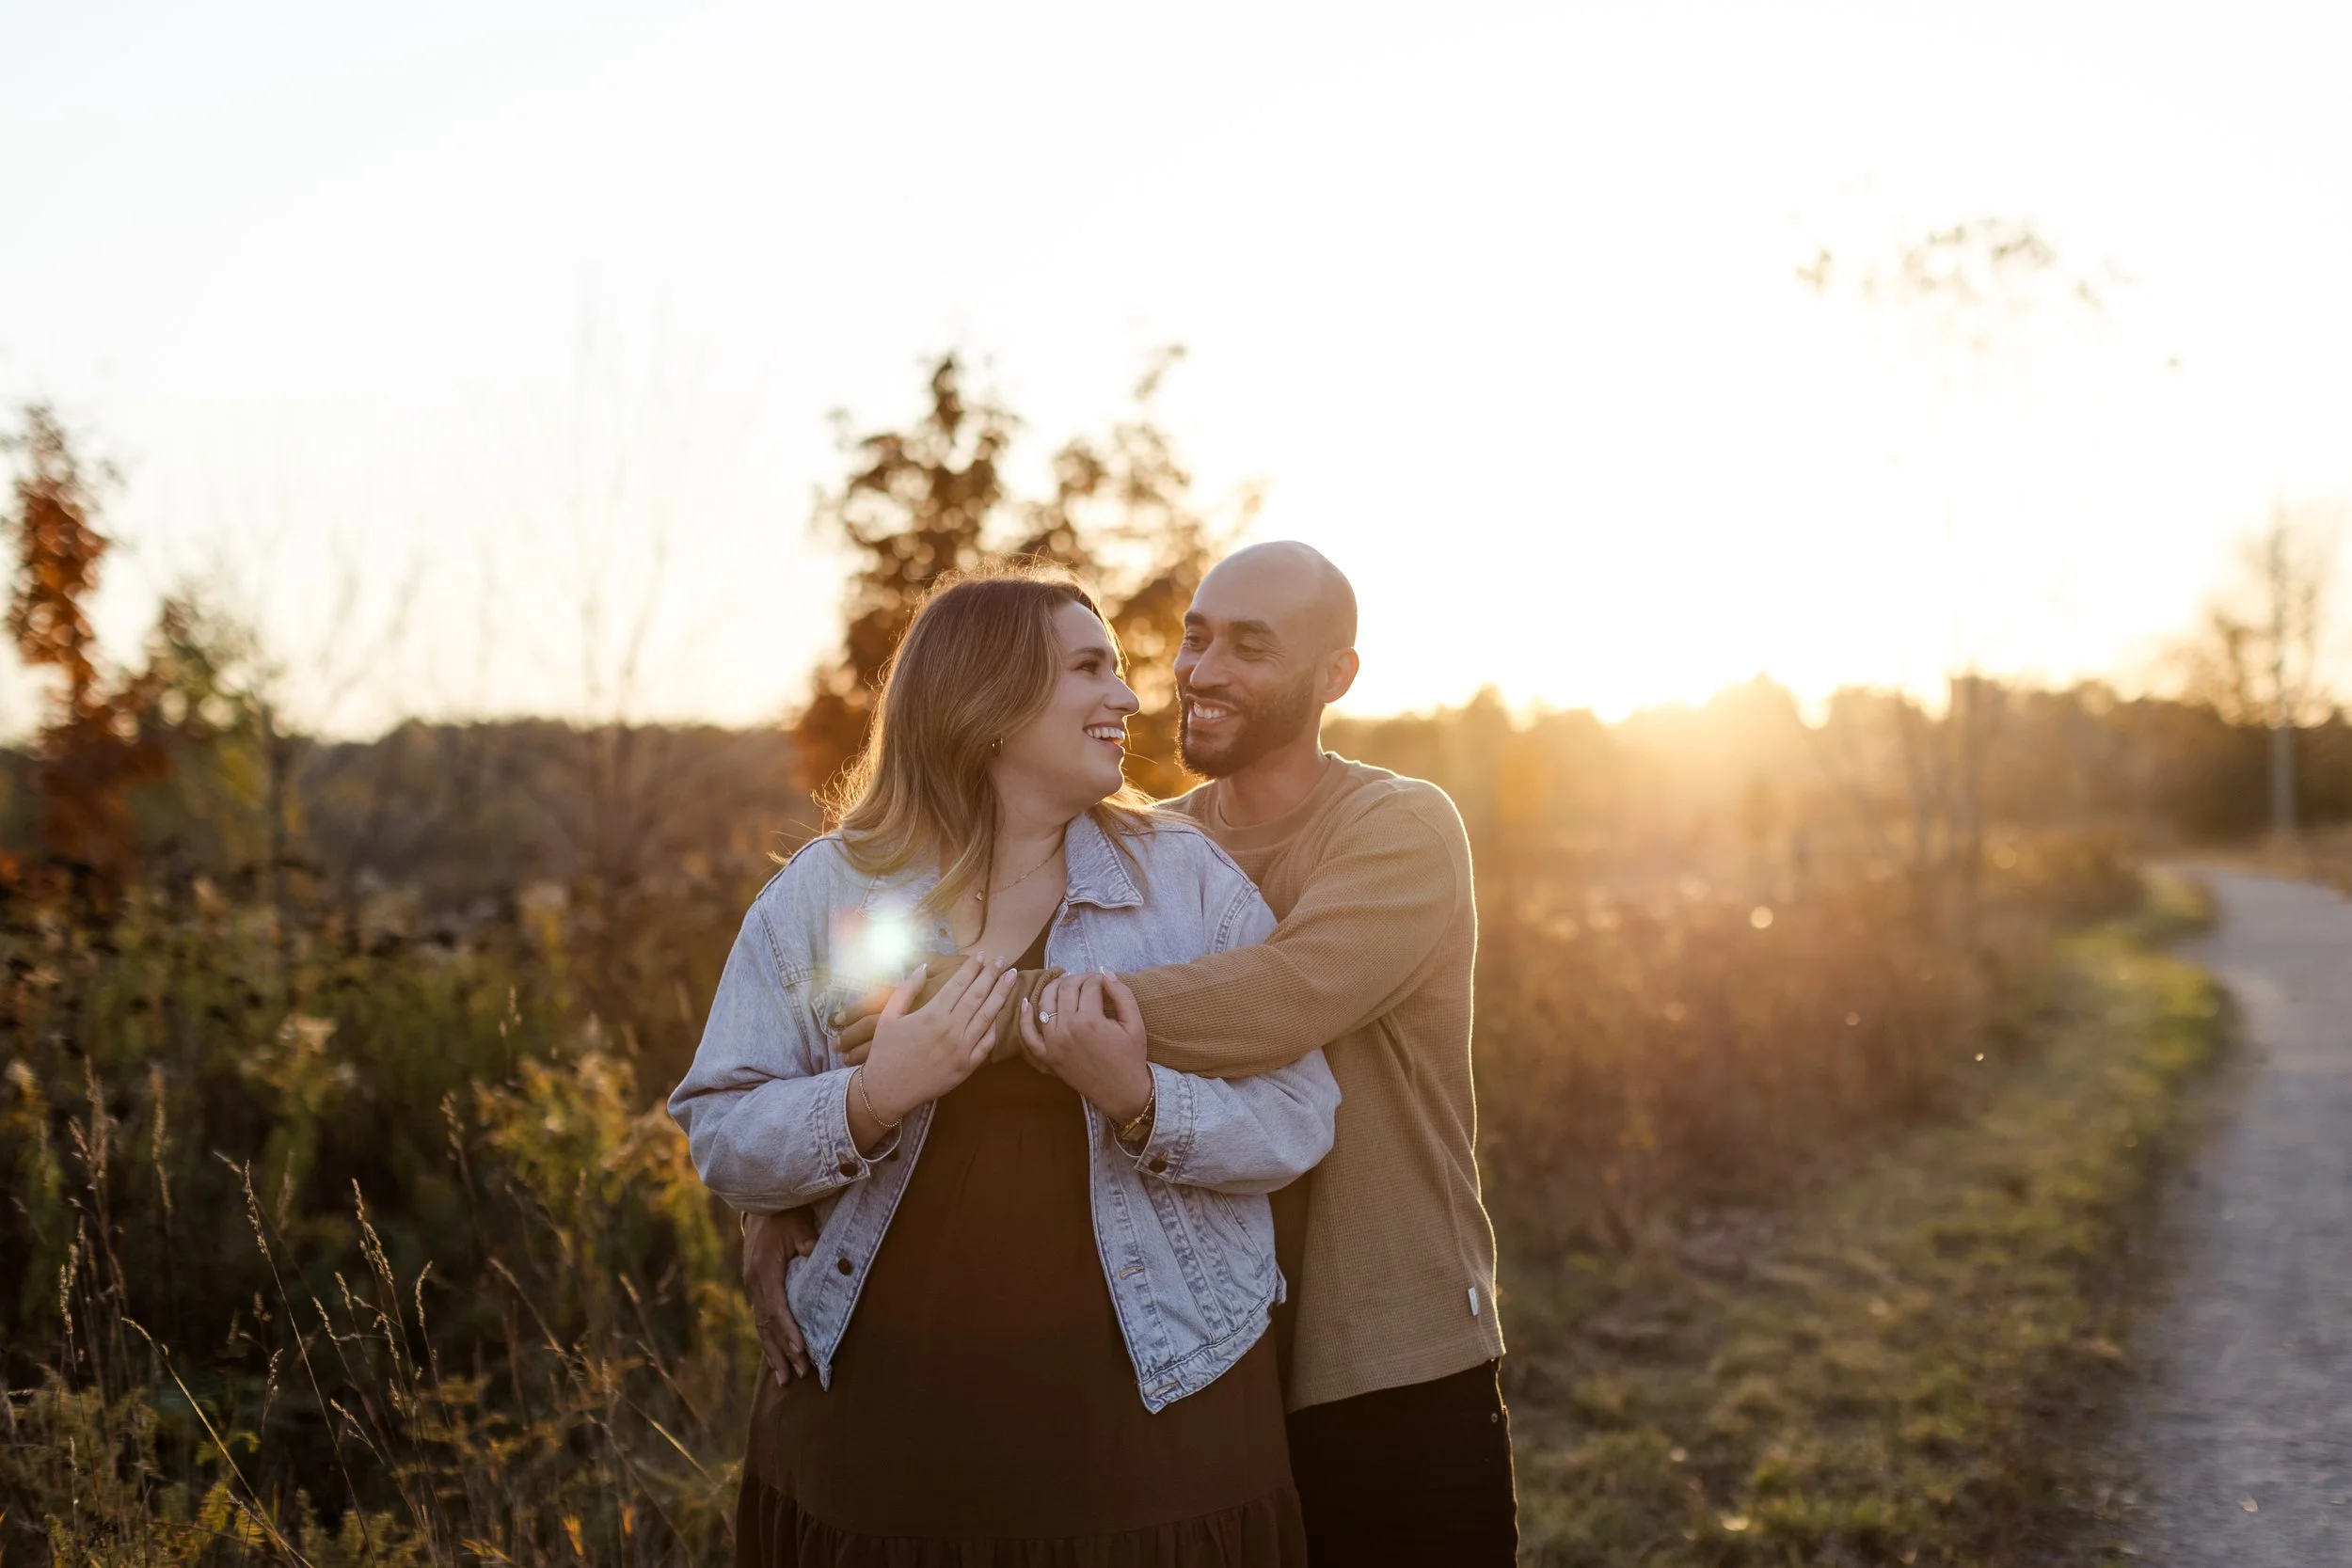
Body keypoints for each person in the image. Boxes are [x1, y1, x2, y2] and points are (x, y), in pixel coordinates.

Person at [800, 542, 1519, 1564]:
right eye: (1196, 635)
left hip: (1385, 1350)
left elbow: (1284, 995)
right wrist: (779, 1202)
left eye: (1249, 647)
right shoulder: (1155, 852)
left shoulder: (1396, 826)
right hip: (1201, 1362)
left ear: (1335, 677)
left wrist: (1000, 1008)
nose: (1199, 668)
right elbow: (884, 1036)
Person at [672, 569, 1338, 1565]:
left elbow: (1300, 1108)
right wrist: (866, 1098)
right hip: (883, 1441)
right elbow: (720, 1127)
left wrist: (1142, 1101)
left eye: (1116, 669)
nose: (1126, 696)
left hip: (1156, 1422)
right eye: (1088, 668)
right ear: (987, 698)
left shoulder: (1186, 879)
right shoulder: (829, 889)